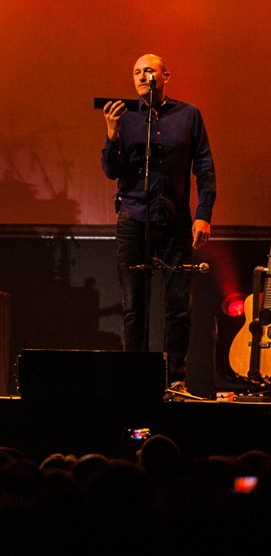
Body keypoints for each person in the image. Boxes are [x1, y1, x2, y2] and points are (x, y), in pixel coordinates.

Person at [101, 54, 216, 391]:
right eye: (136, 72)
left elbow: (205, 169)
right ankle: (135, 380)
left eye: (148, 70)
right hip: (134, 218)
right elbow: (111, 170)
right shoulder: (125, 115)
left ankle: (175, 380)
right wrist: (111, 133)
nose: (142, 76)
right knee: (134, 306)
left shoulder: (189, 115)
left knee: (179, 306)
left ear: (166, 76)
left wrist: (203, 215)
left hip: (176, 219)